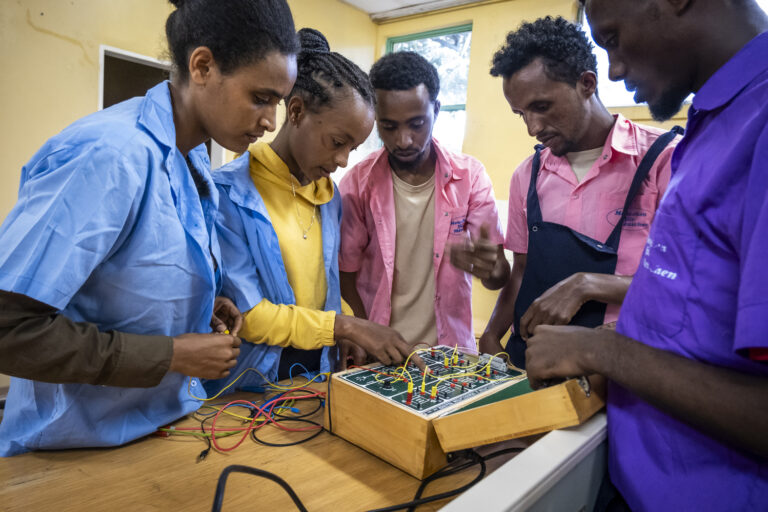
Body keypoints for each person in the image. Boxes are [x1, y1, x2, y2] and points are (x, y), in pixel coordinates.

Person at [0, 0, 298, 456]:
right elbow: (10, 329)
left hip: (167, 428)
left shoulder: (194, 156)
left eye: (278, 102)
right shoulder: (109, 155)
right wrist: (173, 354)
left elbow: (135, 277)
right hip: (72, 447)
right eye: (261, 98)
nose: (270, 121)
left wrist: (201, 304)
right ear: (202, 66)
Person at [526, 0, 768, 509]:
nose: (614, 68)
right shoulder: (714, 122)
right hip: (626, 469)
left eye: (613, 38)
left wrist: (602, 350)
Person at [205, 28, 418, 396]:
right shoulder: (229, 193)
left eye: (352, 148)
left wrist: (346, 323)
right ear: (297, 111)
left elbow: (324, 293)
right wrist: (347, 327)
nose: (341, 160)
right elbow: (250, 316)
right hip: (245, 387)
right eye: (337, 142)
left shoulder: (328, 198)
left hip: (313, 379)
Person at [481, 16, 679, 368]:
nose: (533, 128)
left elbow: (682, 284)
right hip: (533, 362)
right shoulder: (527, 175)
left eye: (542, 107)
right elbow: (522, 271)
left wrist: (587, 284)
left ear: (587, 83)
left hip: (623, 364)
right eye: (520, 114)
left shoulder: (664, 161)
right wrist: (493, 332)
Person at [339, 51, 508, 354]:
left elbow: (498, 277)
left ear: (437, 111)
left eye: (416, 123)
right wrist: (366, 333)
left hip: (452, 354)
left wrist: (489, 268)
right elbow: (345, 274)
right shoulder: (356, 185)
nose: (404, 140)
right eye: (388, 126)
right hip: (382, 356)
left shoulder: (470, 177)